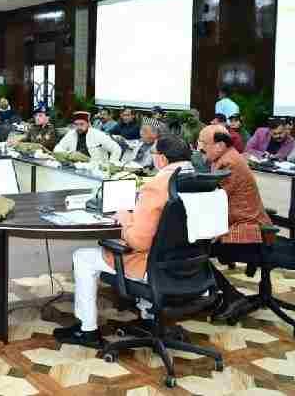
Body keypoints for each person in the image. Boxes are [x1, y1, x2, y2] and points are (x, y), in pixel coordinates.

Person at [53, 134, 194, 348]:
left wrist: (125, 217)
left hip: (153, 268)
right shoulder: (201, 181)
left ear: (162, 159)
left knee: (82, 257)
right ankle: (149, 318)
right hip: (189, 267)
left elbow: (138, 242)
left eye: (153, 153)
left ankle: (87, 330)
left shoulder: (157, 186)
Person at [197, 125, 272, 320]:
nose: (200, 148)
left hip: (247, 228)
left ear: (220, 145)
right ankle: (214, 295)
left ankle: (231, 296)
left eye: (203, 143)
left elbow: (216, 201)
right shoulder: (225, 157)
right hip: (240, 221)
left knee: (195, 251)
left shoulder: (228, 163)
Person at [54, 111, 122, 163]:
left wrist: (111, 163)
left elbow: (116, 149)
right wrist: (69, 154)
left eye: (82, 124)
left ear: (88, 124)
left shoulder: (98, 135)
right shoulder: (71, 134)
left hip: (96, 168)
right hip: (75, 167)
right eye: (76, 124)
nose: (79, 127)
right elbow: (58, 148)